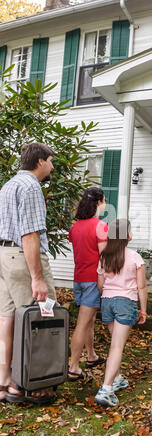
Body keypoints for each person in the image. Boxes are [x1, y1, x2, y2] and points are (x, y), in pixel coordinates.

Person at [0, 142, 56, 404]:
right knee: (38, 318)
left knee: (7, 319)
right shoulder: (32, 186)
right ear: (41, 161)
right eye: (51, 161)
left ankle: (6, 381)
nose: (53, 166)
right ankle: (34, 384)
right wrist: (37, 278)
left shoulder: (8, 185)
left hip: (4, 256)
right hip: (24, 259)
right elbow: (30, 234)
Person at [94, 219, 147, 407]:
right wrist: (144, 310)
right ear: (128, 236)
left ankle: (118, 379)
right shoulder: (134, 257)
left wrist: (110, 293)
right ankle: (106, 389)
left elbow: (100, 285)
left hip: (107, 302)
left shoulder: (104, 257)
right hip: (126, 302)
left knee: (114, 345)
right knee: (117, 347)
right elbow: (141, 286)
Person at [68, 187, 108, 381]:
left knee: (89, 320)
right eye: (104, 201)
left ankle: (91, 356)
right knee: (82, 324)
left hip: (78, 279)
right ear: (99, 202)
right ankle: (73, 366)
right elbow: (104, 257)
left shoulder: (75, 227)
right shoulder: (99, 226)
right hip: (93, 280)